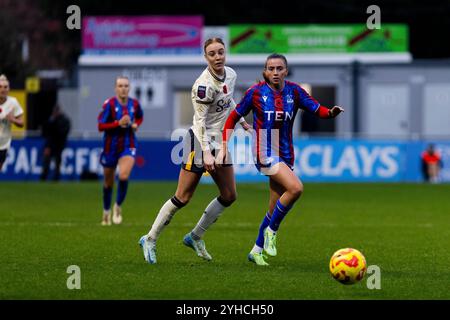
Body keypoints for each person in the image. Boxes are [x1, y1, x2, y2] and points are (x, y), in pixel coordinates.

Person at [220, 53, 344, 266]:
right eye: (271, 68)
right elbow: (232, 118)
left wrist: (330, 113)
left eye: (279, 68)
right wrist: (224, 146)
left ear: (286, 71)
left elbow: (317, 109)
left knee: (273, 206)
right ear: (265, 72)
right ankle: (272, 232)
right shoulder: (256, 92)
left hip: (285, 152)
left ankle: (256, 250)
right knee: (296, 188)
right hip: (264, 149)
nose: (275, 72)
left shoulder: (294, 91)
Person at [138, 38, 251, 264]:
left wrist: (241, 121)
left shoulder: (230, 74)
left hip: (220, 141)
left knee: (229, 195)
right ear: (206, 57)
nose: (218, 57)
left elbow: (228, 102)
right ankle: (150, 238)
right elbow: (199, 121)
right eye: (212, 54)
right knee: (183, 197)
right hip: (199, 142)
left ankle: (195, 236)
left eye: (220, 52)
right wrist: (207, 152)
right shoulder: (203, 86)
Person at [97, 76, 143, 226]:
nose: (123, 88)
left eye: (126, 86)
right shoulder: (109, 104)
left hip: (128, 145)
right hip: (110, 147)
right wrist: (118, 123)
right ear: (115, 88)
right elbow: (100, 126)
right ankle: (106, 211)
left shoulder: (134, 104)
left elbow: (140, 117)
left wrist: (136, 124)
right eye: (120, 86)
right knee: (108, 183)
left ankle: (117, 206)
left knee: (123, 176)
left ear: (129, 88)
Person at [40, 104, 71, 181]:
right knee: (47, 161)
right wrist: (47, 146)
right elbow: (46, 133)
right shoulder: (51, 120)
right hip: (50, 145)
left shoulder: (64, 120)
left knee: (57, 162)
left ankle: (56, 178)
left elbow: (64, 132)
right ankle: (44, 177)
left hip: (59, 145)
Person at [0, 74, 24, 171]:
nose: (3, 90)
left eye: (6, 87)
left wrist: (13, 119)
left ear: (9, 89)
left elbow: (21, 123)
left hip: (3, 144)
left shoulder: (13, 102)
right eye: (0, 87)